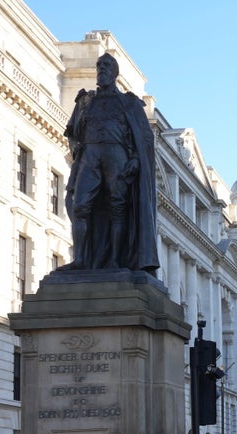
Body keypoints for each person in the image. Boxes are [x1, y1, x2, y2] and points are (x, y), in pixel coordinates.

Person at [62, 52, 158, 271]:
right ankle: (81, 260)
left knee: (118, 207)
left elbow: (144, 139)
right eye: (99, 66)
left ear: (115, 74)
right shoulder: (86, 101)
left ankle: (115, 259)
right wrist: (77, 150)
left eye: (106, 66)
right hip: (90, 155)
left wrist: (134, 158)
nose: (101, 69)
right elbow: (73, 132)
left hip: (118, 156)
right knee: (80, 206)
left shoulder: (129, 103)